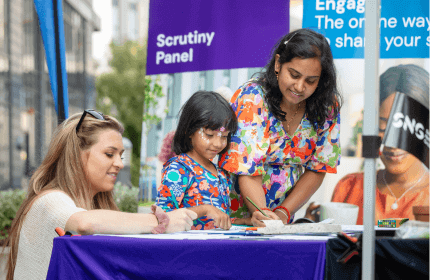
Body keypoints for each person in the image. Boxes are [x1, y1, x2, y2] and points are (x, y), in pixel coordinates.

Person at [2, 110, 197, 280]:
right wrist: (160, 222)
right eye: (109, 154)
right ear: (77, 155)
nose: (120, 164)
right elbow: (84, 223)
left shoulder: (95, 208)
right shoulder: (49, 200)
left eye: (120, 156)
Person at [219, 28, 342, 227]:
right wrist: (263, 214)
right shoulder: (253, 97)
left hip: (281, 220)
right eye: (294, 75)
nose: (300, 87)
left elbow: (319, 167)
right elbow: (247, 168)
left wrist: (284, 212)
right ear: (278, 64)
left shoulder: (327, 106)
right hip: (234, 217)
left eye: (311, 81)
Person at [305, 64, 429, 225]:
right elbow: (335, 247)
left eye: (403, 128)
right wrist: (311, 230)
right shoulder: (350, 187)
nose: (391, 142)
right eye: (382, 127)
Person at [156, 91, 238, 230]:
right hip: (188, 248)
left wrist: (246, 221)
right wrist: (205, 209)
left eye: (224, 136)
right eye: (209, 135)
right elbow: (163, 216)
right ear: (189, 131)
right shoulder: (179, 168)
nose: (218, 143)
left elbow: (218, 219)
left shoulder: (221, 173)